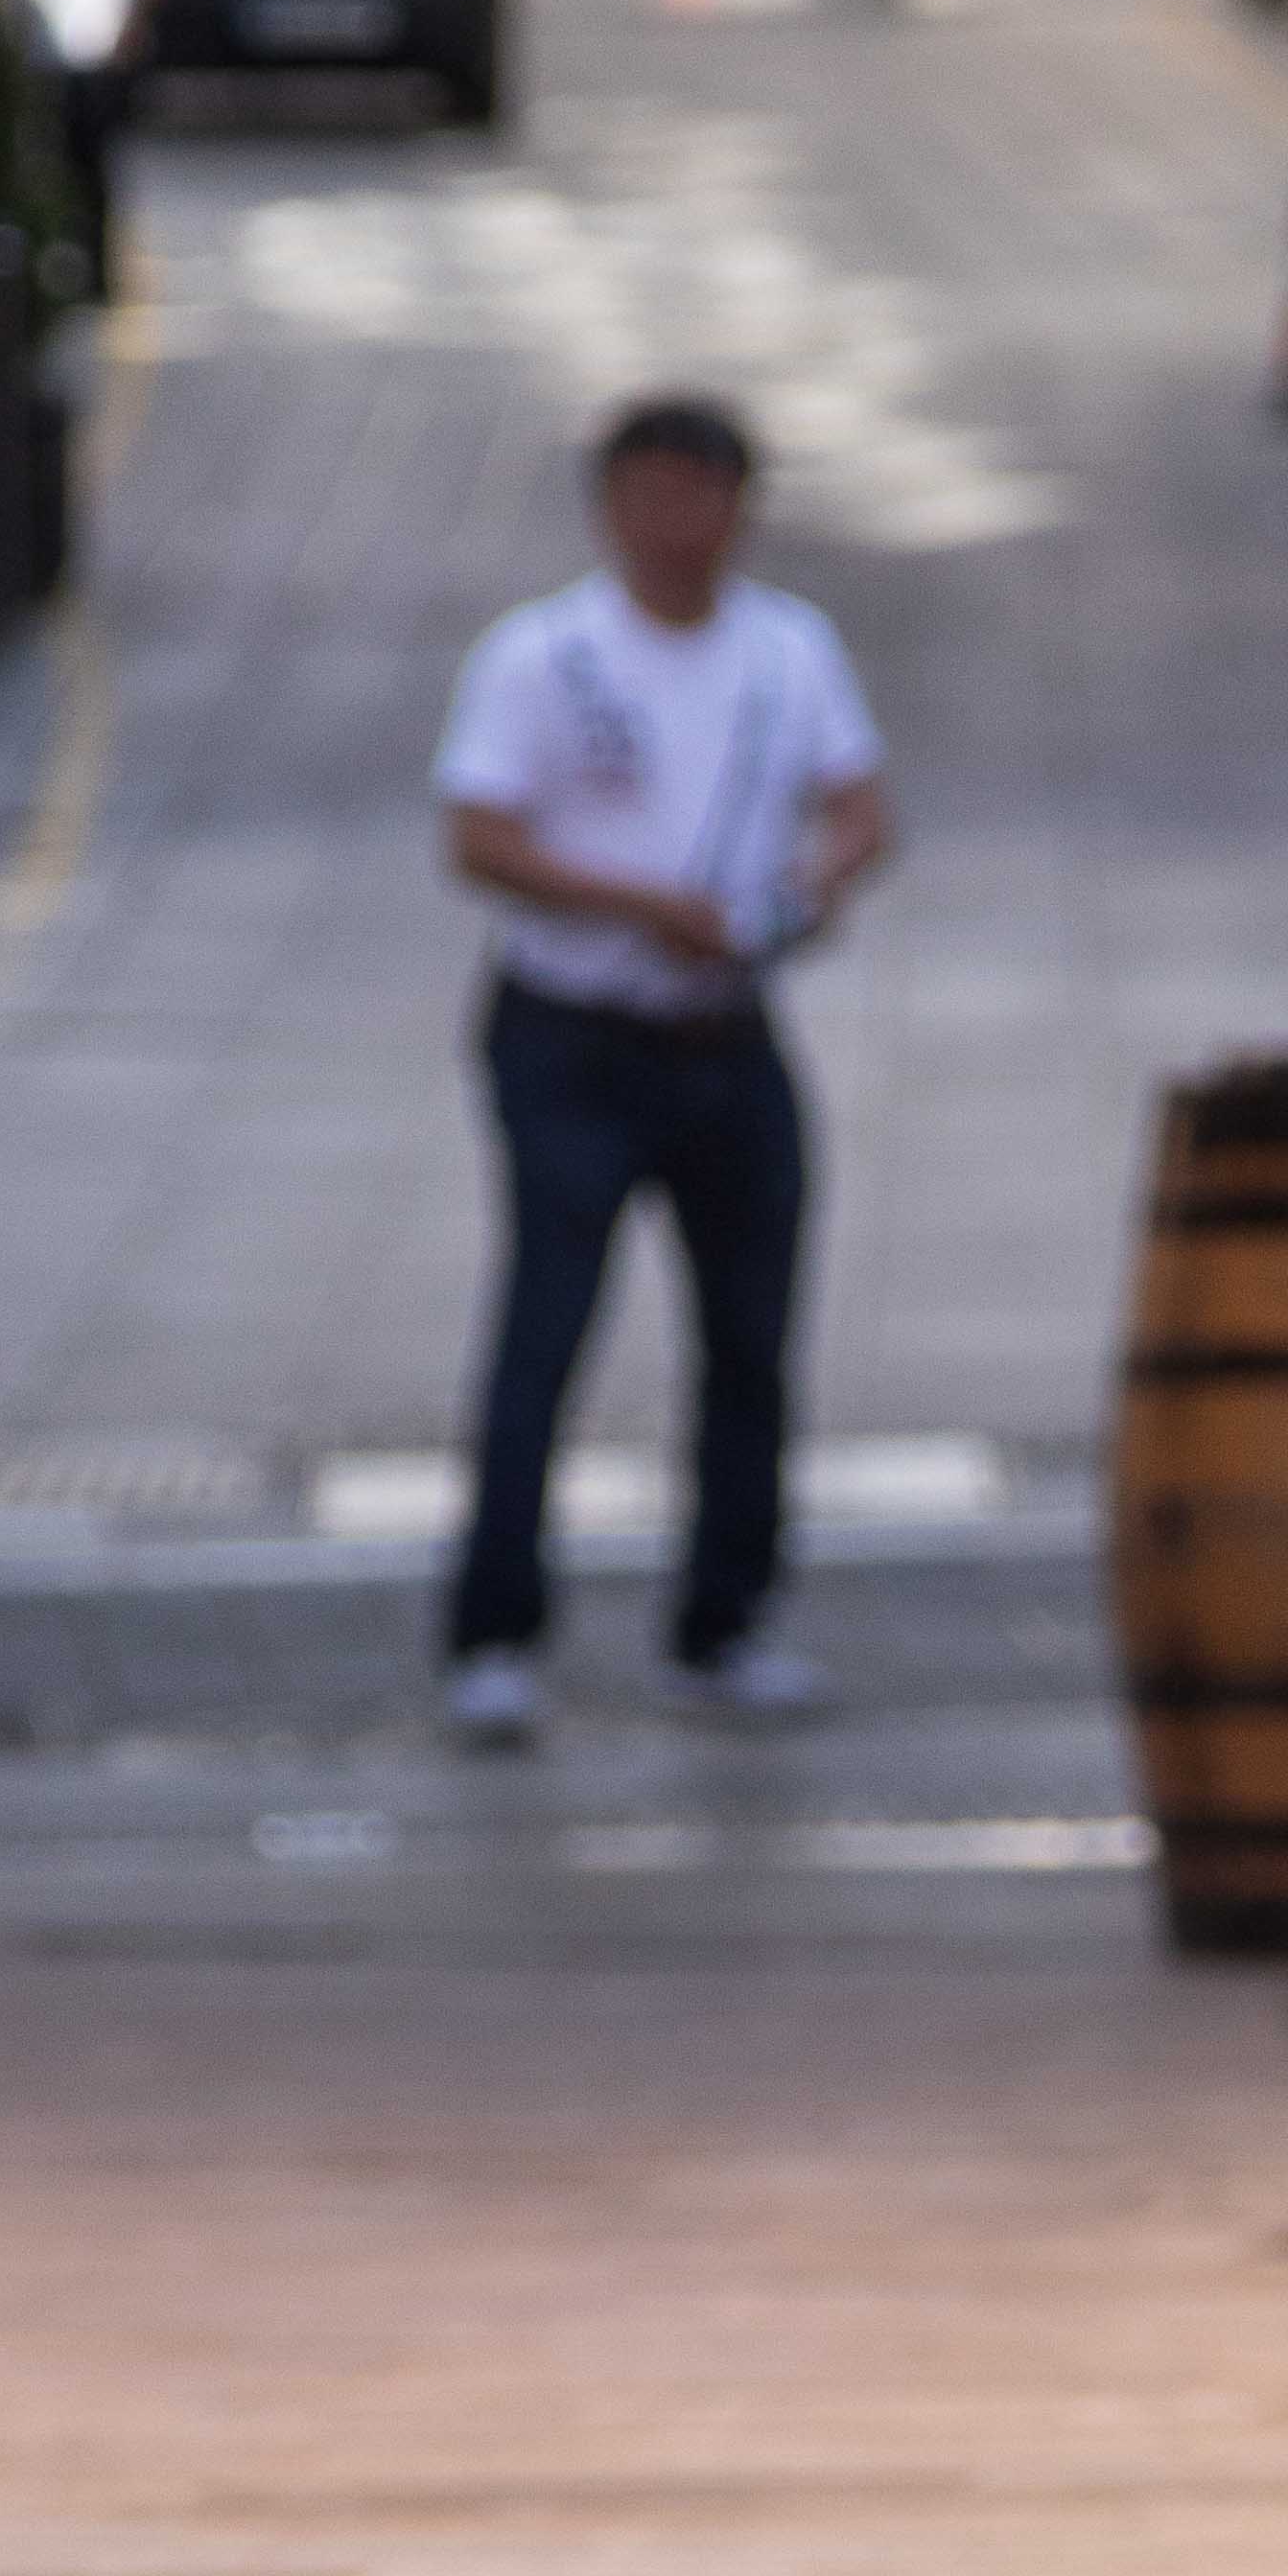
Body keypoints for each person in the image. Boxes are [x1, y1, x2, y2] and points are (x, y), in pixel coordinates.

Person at [429, 394, 897, 1739]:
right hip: (572, 1035)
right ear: (609, 509)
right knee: (547, 1330)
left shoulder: (786, 649)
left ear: (741, 510)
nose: (676, 525)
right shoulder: (544, 655)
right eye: (650, 496)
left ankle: (727, 1620)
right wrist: (643, 908)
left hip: (729, 1034)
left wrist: (814, 883)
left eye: (701, 496)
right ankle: (495, 1632)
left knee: (752, 1341)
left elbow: (862, 807)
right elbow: (477, 835)